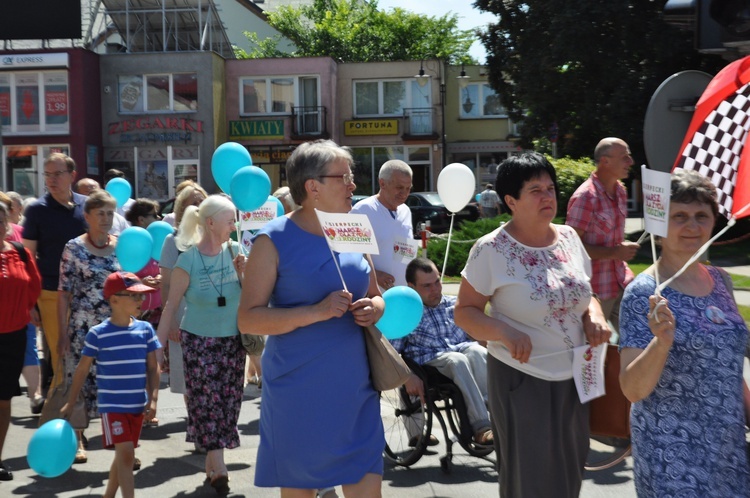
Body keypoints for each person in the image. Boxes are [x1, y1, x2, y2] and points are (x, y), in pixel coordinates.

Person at [238, 140, 389, 497]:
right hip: (299, 390)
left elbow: (376, 295)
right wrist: (316, 312)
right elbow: (248, 319)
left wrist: (374, 309)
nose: (353, 185)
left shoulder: (353, 229)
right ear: (313, 187)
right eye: (344, 177)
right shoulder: (272, 240)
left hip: (356, 387)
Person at [454, 152, 610, 498]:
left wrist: (595, 316)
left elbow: (587, 295)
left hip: (575, 375)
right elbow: (464, 311)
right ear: (511, 201)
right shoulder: (490, 249)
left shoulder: (570, 238)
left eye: (550, 188)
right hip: (521, 377)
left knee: (570, 473)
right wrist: (504, 332)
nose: (548, 196)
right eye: (535, 190)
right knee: (529, 479)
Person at [619, 169, 750, 497]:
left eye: (701, 216)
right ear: (659, 226)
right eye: (679, 216)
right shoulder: (645, 292)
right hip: (673, 453)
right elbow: (632, 389)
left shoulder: (720, 281)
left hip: (728, 447)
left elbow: (726, 363)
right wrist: (661, 344)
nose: (692, 226)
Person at [157, 194, 246, 495]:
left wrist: (244, 272)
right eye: (229, 218)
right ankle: (219, 466)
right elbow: (170, 306)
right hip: (198, 341)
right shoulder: (188, 259)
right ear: (210, 223)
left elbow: (251, 296)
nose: (235, 223)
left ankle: (212, 457)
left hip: (233, 340)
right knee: (207, 403)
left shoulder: (236, 250)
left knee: (229, 403)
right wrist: (157, 345)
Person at [61, 271, 161, 498]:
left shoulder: (145, 330)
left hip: (137, 405)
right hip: (112, 406)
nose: (141, 301)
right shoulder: (98, 334)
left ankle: (108, 496)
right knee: (126, 455)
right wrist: (70, 402)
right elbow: (82, 369)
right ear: (114, 299)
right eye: (134, 296)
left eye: (141, 296)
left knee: (123, 455)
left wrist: (153, 399)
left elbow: (153, 368)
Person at [392, 257, 492, 445]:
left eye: (437, 282)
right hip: (428, 363)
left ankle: (494, 415)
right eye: (427, 286)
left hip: (459, 352)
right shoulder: (406, 313)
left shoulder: (454, 305)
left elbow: (476, 335)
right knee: (456, 360)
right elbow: (394, 353)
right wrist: (407, 376)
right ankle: (481, 427)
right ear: (412, 286)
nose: (435, 289)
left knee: (478, 352)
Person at [58, 190, 121, 464]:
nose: (106, 218)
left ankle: (122, 445)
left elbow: (127, 282)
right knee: (80, 382)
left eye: (110, 213)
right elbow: (63, 293)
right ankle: (78, 439)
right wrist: (61, 333)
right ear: (87, 216)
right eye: (100, 213)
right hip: (83, 327)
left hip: (116, 327)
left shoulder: (121, 245)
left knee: (114, 384)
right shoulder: (74, 248)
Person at [22, 153, 88, 390]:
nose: (51, 179)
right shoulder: (37, 210)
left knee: (88, 351)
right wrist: (30, 303)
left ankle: (83, 402)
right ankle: (64, 407)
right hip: (50, 292)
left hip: (86, 294)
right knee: (62, 353)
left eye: (57, 174)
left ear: (72, 175)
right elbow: (27, 258)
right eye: (47, 174)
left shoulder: (86, 205)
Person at [566, 137, 639, 333]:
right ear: (605, 161)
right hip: (595, 292)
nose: (630, 163)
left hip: (621, 282)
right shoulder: (585, 197)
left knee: (638, 340)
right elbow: (570, 248)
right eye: (625, 157)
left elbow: (611, 240)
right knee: (592, 354)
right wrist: (615, 252)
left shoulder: (620, 191)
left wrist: (619, 250)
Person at [158, 183, 207, 436]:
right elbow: (165, 285)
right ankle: (198, 428)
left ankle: (205, 427)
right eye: (191, 202)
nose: (197, 206)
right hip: (183, 318)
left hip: (212, 318)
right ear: (180, 209)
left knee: (209, 377)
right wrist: (171, 323)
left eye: (201, 201)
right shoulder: (172, 240)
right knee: (190, 378)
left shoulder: (215, 237)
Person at [0, 202, 42, 481]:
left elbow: (33, 287)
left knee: (3, 402)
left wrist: (23, 311)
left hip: (13, 336)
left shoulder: (20, 253)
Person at [351, 159, 414, 289]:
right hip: (375, 297)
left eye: (408, 188)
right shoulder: (362, 211)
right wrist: (376, 275)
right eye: (399, 187)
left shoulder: (405, 211)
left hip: (404, 294)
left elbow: (407, 253)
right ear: (382, 183)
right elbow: (351, 256)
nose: (404, 194)